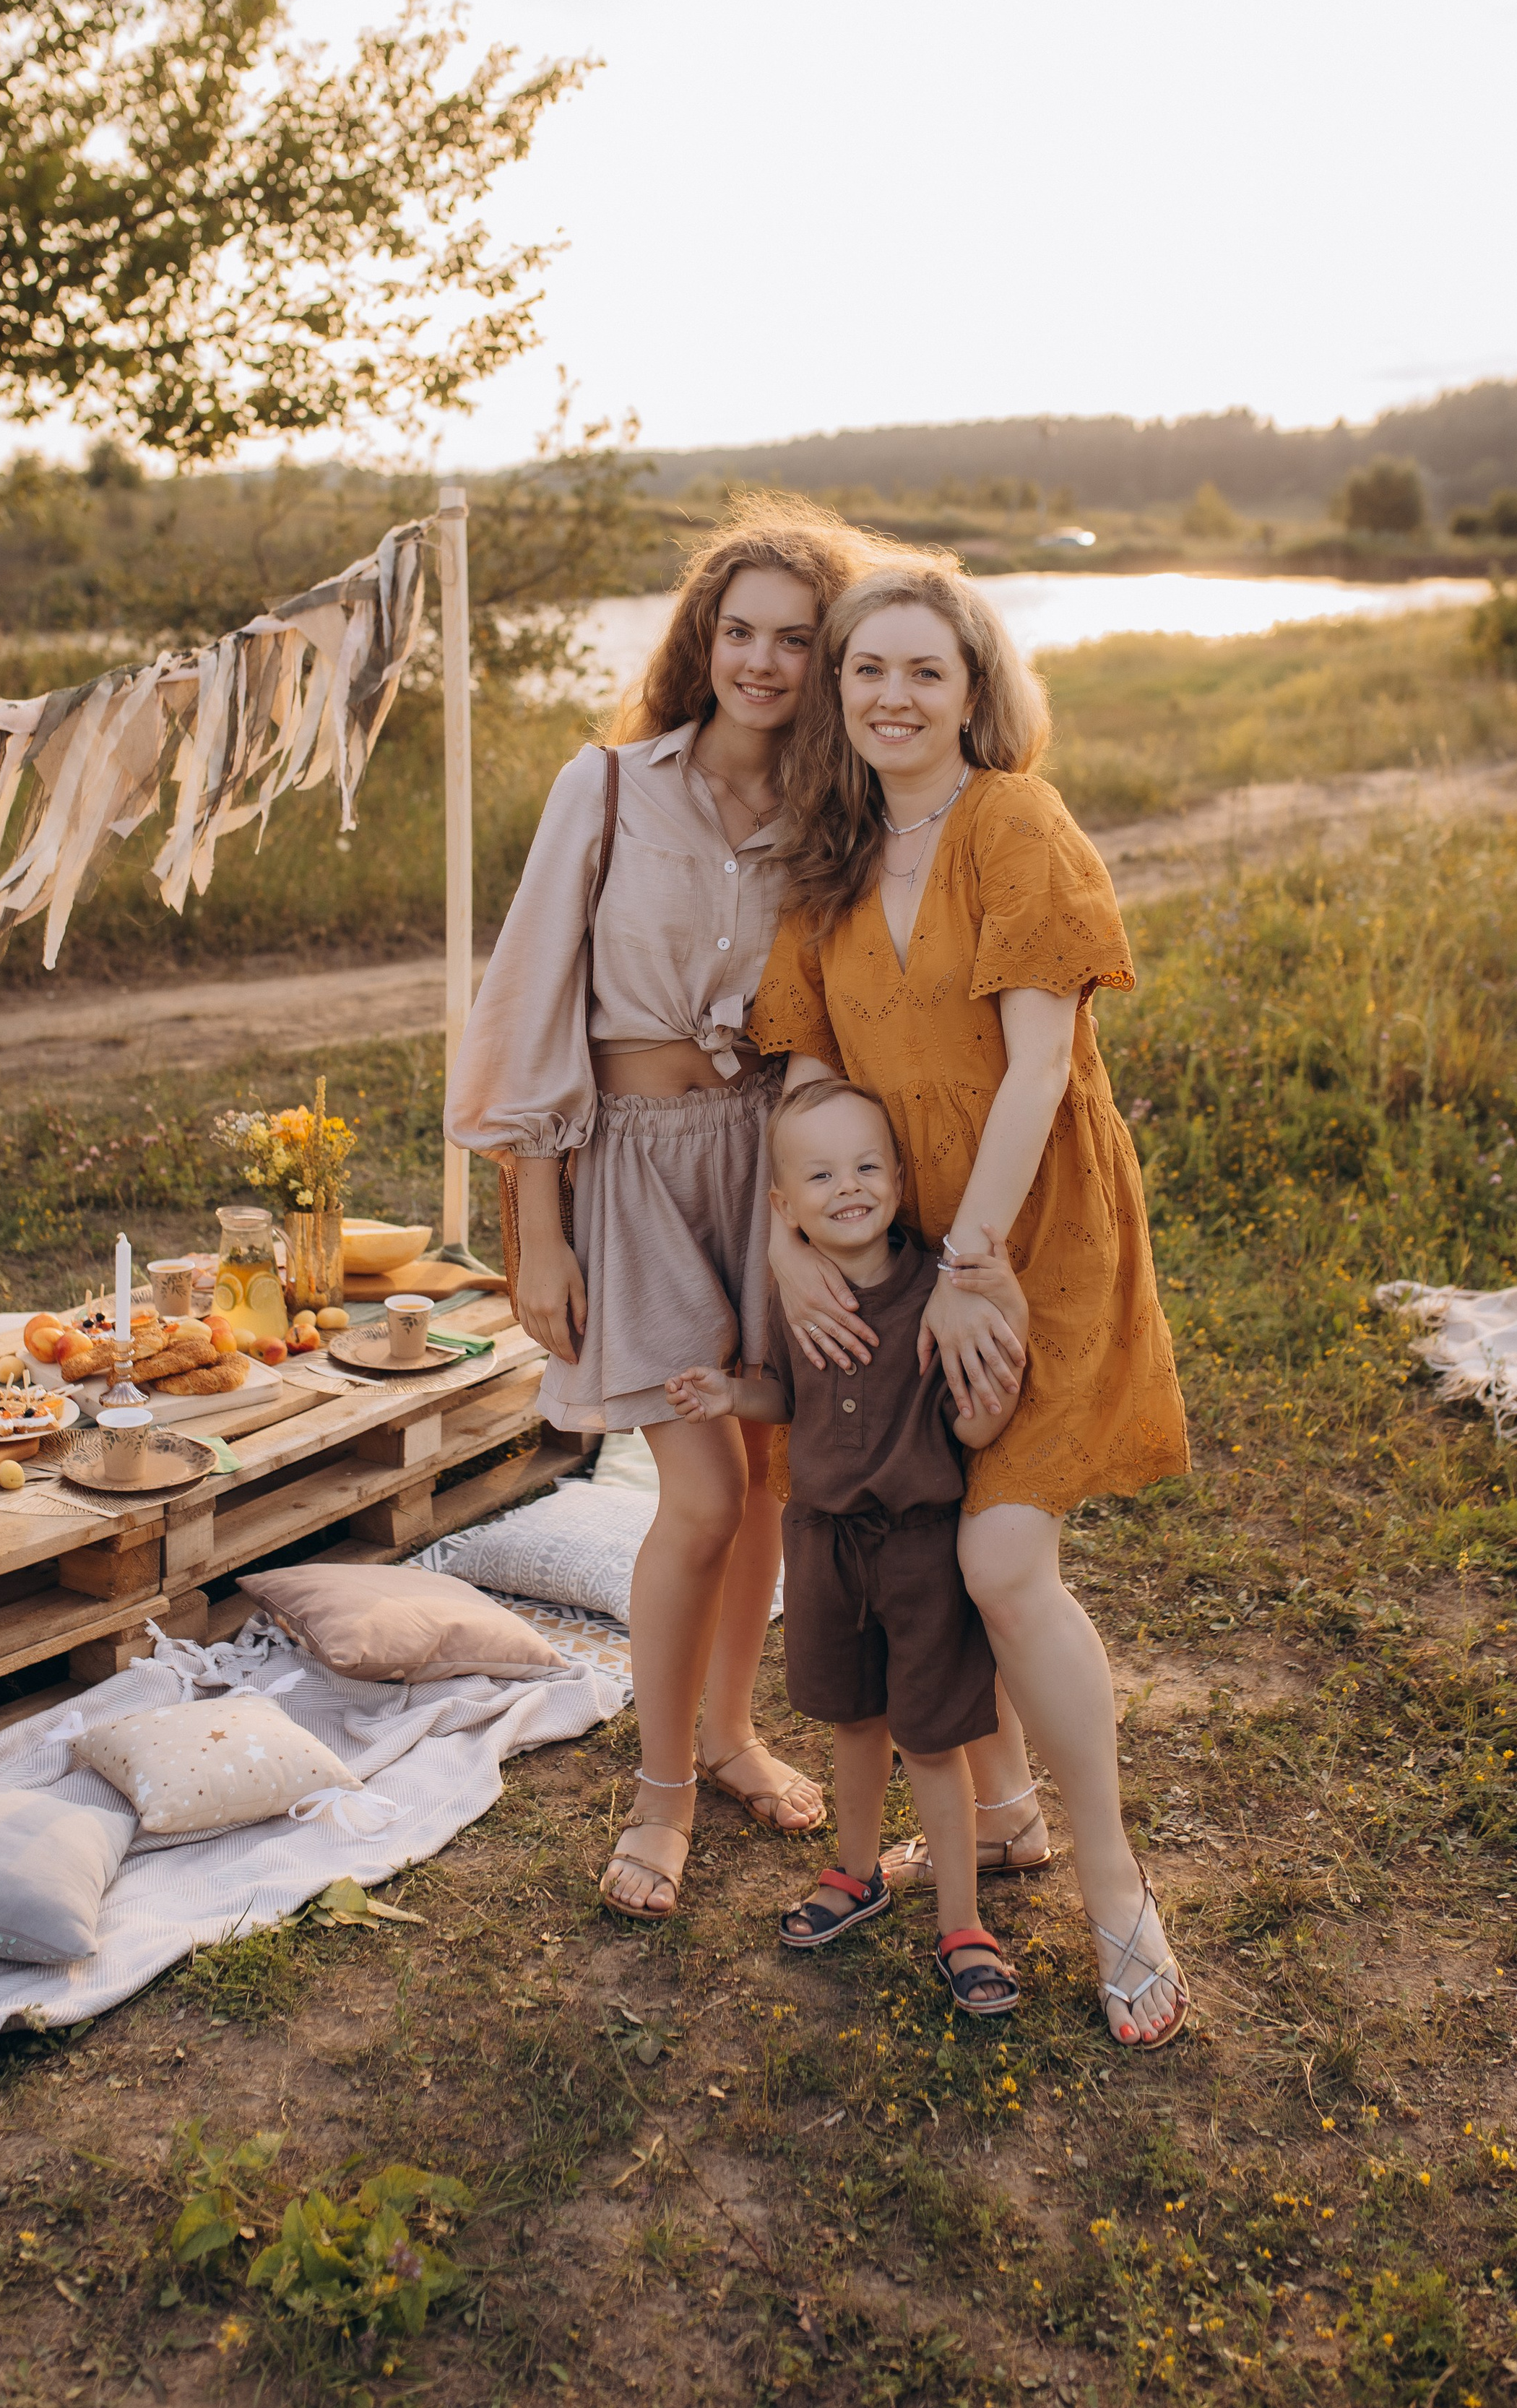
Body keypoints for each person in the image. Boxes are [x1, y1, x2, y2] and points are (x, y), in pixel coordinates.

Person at [751, 557, 1193, 2047]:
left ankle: (1115, 1884)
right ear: (839, 690)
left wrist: (975, 1266)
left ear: (970, 690)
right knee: (930, 1534)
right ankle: (999, 1818)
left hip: (1030, 1235)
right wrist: (794, 1239)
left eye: (921, 671)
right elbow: (805, 1075)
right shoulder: (828, 861)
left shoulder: (1013, 823)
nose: (889, 695)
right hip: (907, 1251)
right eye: (864, 669)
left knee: (1003, 1555)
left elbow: (1037, 1067)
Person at [444, 496, 876, 1920]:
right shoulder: (612, 785)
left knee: (762, 1480)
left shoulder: (837, 809)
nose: (761, 662)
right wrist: (541, 1227)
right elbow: (525, 1005)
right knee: (693, 1495)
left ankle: (735, 1733)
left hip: (770, 1166)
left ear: (829, 658)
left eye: (794, 640)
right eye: (738, 632)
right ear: (703, 640)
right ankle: (661, 1789)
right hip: (629, 1162)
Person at [667, 1075, 1027, 2012]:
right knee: (853, 1723)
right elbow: (788, 1398)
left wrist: (1001, 1384)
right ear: (784, 1209)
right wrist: (731, 1396)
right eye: (821, 1176)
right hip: (822, 1546)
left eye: (867, 1166)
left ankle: (961, 1921)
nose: (849, 1186)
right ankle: (856, 1872)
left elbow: (975, 1428)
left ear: (901, 1181)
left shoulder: (934, 1300)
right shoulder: (801, 1299)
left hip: (918, 1551)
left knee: (933, 1741)